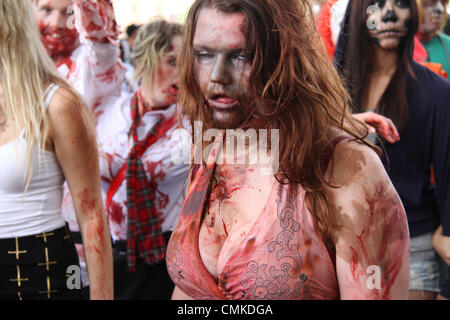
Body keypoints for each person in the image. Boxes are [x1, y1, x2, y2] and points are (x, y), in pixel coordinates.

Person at [166, 0, 409, 300]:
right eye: (203, 54)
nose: (217, 75)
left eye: (241, 55)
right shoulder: (211, 148)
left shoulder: (349, 171)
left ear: (284, 58)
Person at [62, 19, 188, 300]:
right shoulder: (109, 111)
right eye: (172, 61)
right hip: (109, 254)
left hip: (165, 259)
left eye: (188, 63)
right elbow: (97, 48)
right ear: (147, 59)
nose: (182, 73)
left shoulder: (193, 125)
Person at [334, 0, 450, 300]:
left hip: (412, 249)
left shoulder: (435, 92)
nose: (388, 14)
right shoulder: (330, 93)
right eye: (376, 4)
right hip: (337, 248)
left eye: (400, 3)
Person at [0, 0, 112, 300]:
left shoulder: (57, 102)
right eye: (47, 10)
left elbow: (91, 215)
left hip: (40, 270)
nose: (58, 22)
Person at [34, 0, 126, 290]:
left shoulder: (91, 65)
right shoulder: (16, 68)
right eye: (47, 9)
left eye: (69, 12)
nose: (58, 23)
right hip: (21, 229)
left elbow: (102, 42)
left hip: (79, 232)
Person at [417, 0, 450, 77]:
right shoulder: (396, 46)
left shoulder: (448, 45)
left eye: (442, 3)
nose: (440, 9)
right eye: (430, 3)